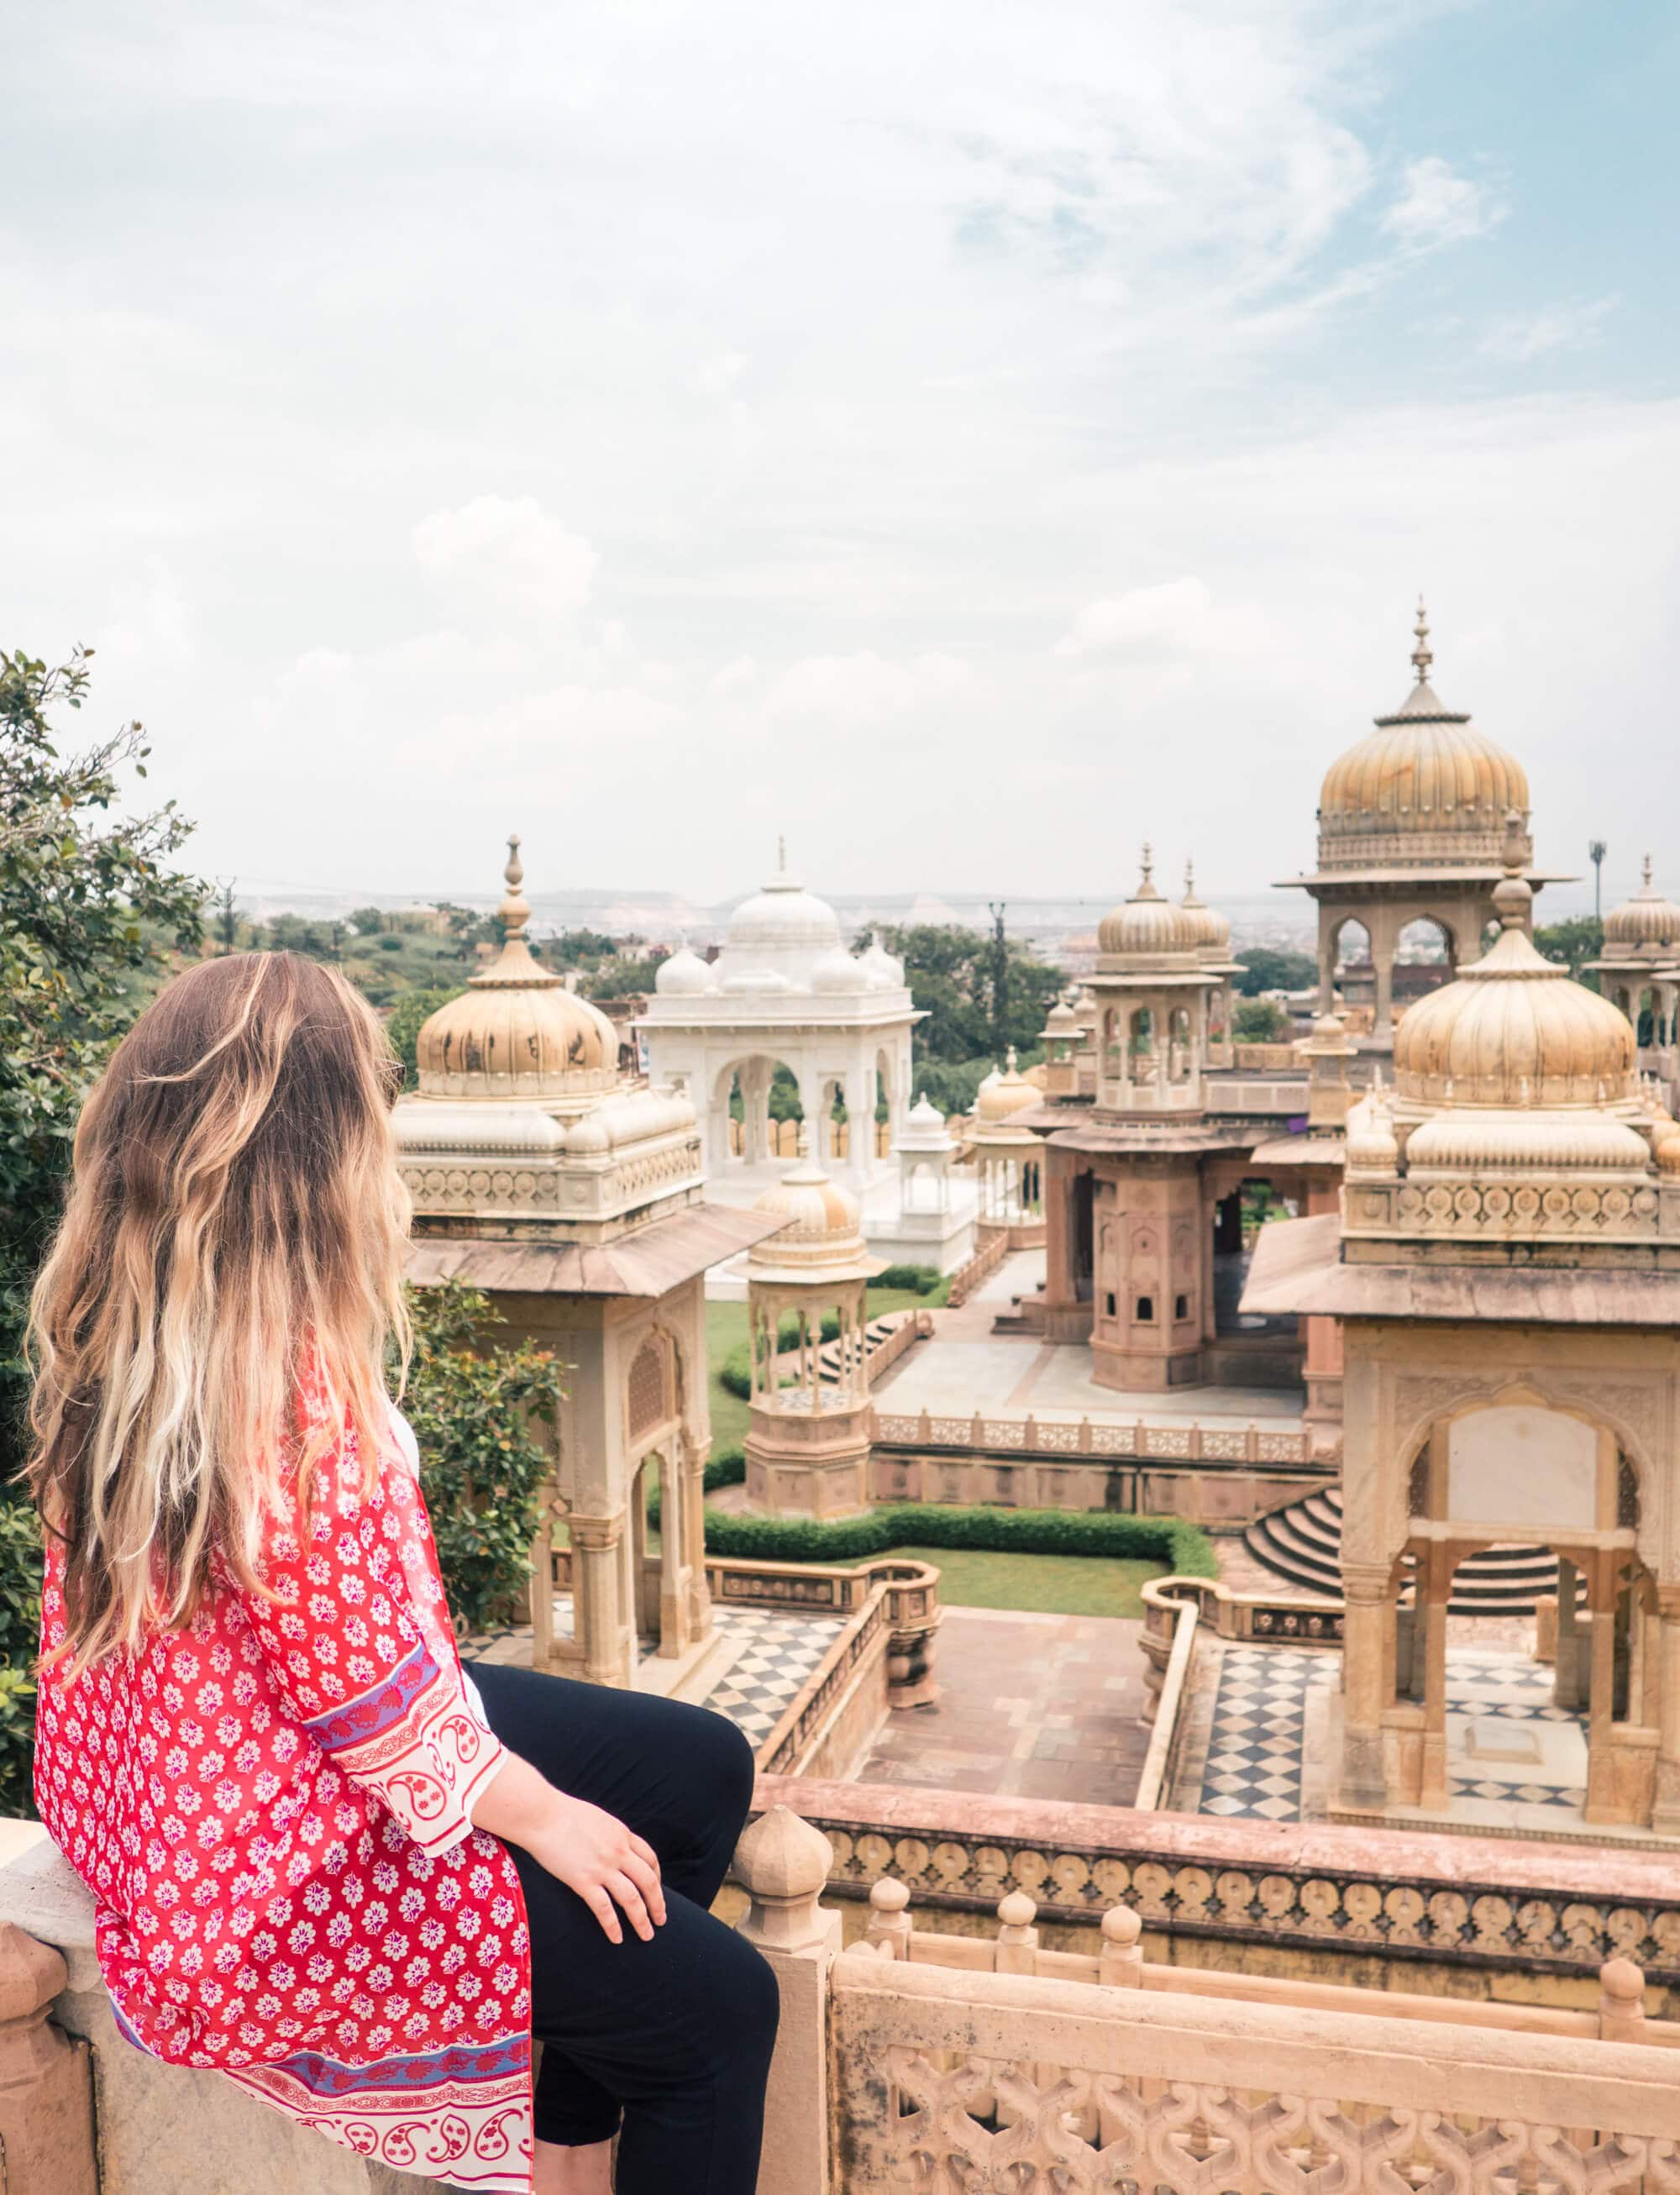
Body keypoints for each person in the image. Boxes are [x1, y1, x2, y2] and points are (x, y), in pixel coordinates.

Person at [26, 953, 779, 2195]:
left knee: (699, 1772)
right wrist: (544, 1815)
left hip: (197, 1778)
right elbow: (368, 1697)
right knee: (721, 2014)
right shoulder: (279, 1378)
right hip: (265, 1867)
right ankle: (621, 2083)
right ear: (318, 1154)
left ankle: (573, 2129)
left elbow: (331, 1653)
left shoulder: (140, 1323)